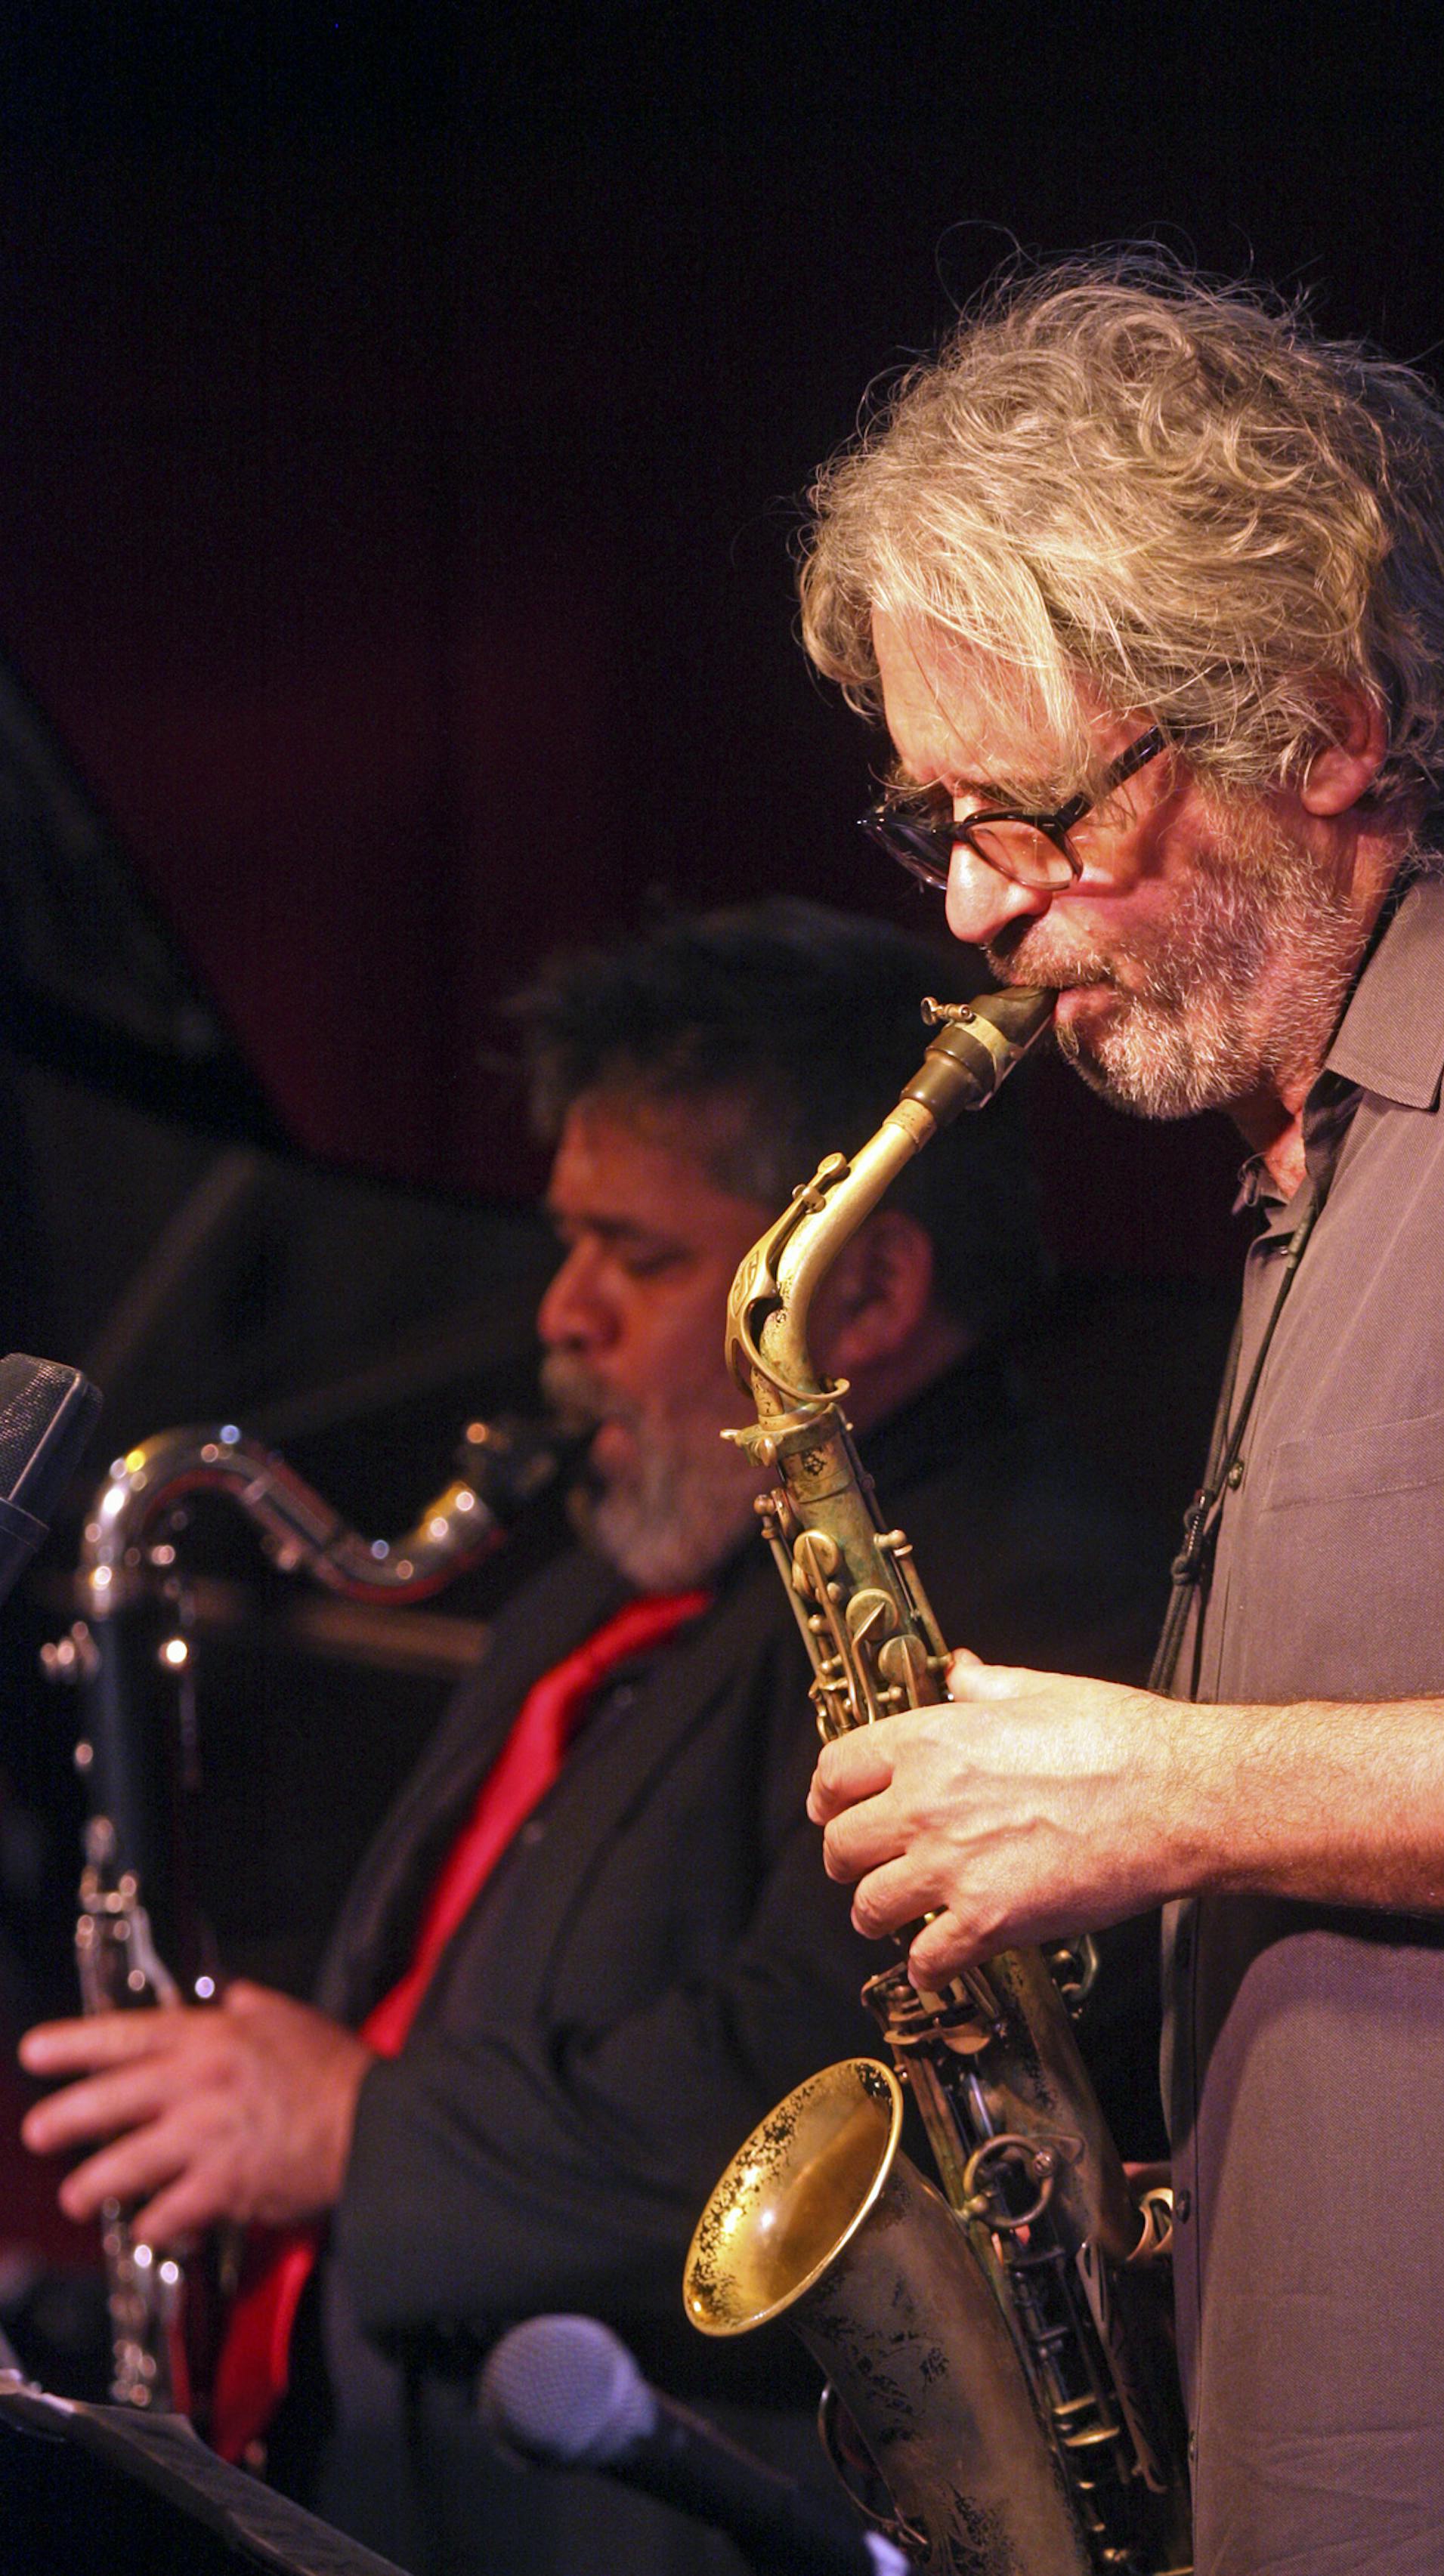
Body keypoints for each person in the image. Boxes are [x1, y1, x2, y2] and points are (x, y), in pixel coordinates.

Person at [796, 257, 1444, 2575]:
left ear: (1322, 731)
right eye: (931, 821)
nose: (975, 902)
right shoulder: (1308, 1157)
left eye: (1029, 810)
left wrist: (1161, 1790)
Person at [17, 897, 1162, 2576]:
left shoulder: (1032, 1599)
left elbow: (832, 2079)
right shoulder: (604, 1591)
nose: (560, 1312)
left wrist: (357, 2130)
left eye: (635, 1256)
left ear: (862, 1290)